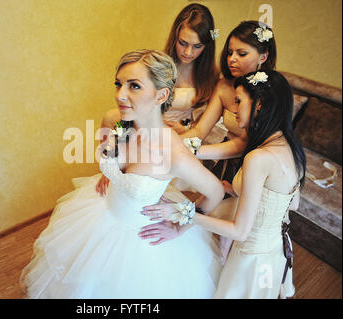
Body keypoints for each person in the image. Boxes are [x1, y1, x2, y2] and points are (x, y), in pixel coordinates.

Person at [20, 49, 224, 298]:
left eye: (134, 86)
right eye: (119, 84)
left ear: (161, 95)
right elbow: (111, 155)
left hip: (143, 245)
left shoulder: (173, 153)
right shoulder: (120, 123)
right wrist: (112, 174)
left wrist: (181, 224)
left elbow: (215, 191)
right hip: (100, 216)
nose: (120, 95)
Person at [140, 70, 306, 299]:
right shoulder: (292, 148)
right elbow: (293, 203)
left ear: (259, 105)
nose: (234, 109)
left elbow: (239, 231)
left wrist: (182, 212)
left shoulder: (258, 158)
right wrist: (235, 189)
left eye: (239, 101)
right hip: (274, 251)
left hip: (250, 255)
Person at [97, 3, 219, 195]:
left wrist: (185, 128)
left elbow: (203, 126)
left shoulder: (211, 76)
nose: (188, 52)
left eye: (197, 46)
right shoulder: (158, 67)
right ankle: (111, 169)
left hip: (180, 134)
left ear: (207, 45)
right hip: (149, 122)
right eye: (183, 43)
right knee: (111, 118)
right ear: (174, 38)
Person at [181, 20, 277, 183]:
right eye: (230, 52)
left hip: (257, 166)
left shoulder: (271, 93)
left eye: (241, 54)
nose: (232, 59)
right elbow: (200, 131)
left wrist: (196, 151)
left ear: (263, 56)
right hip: (228, 159)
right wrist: (171, 142)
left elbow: (245, 143)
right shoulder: (224, 86)